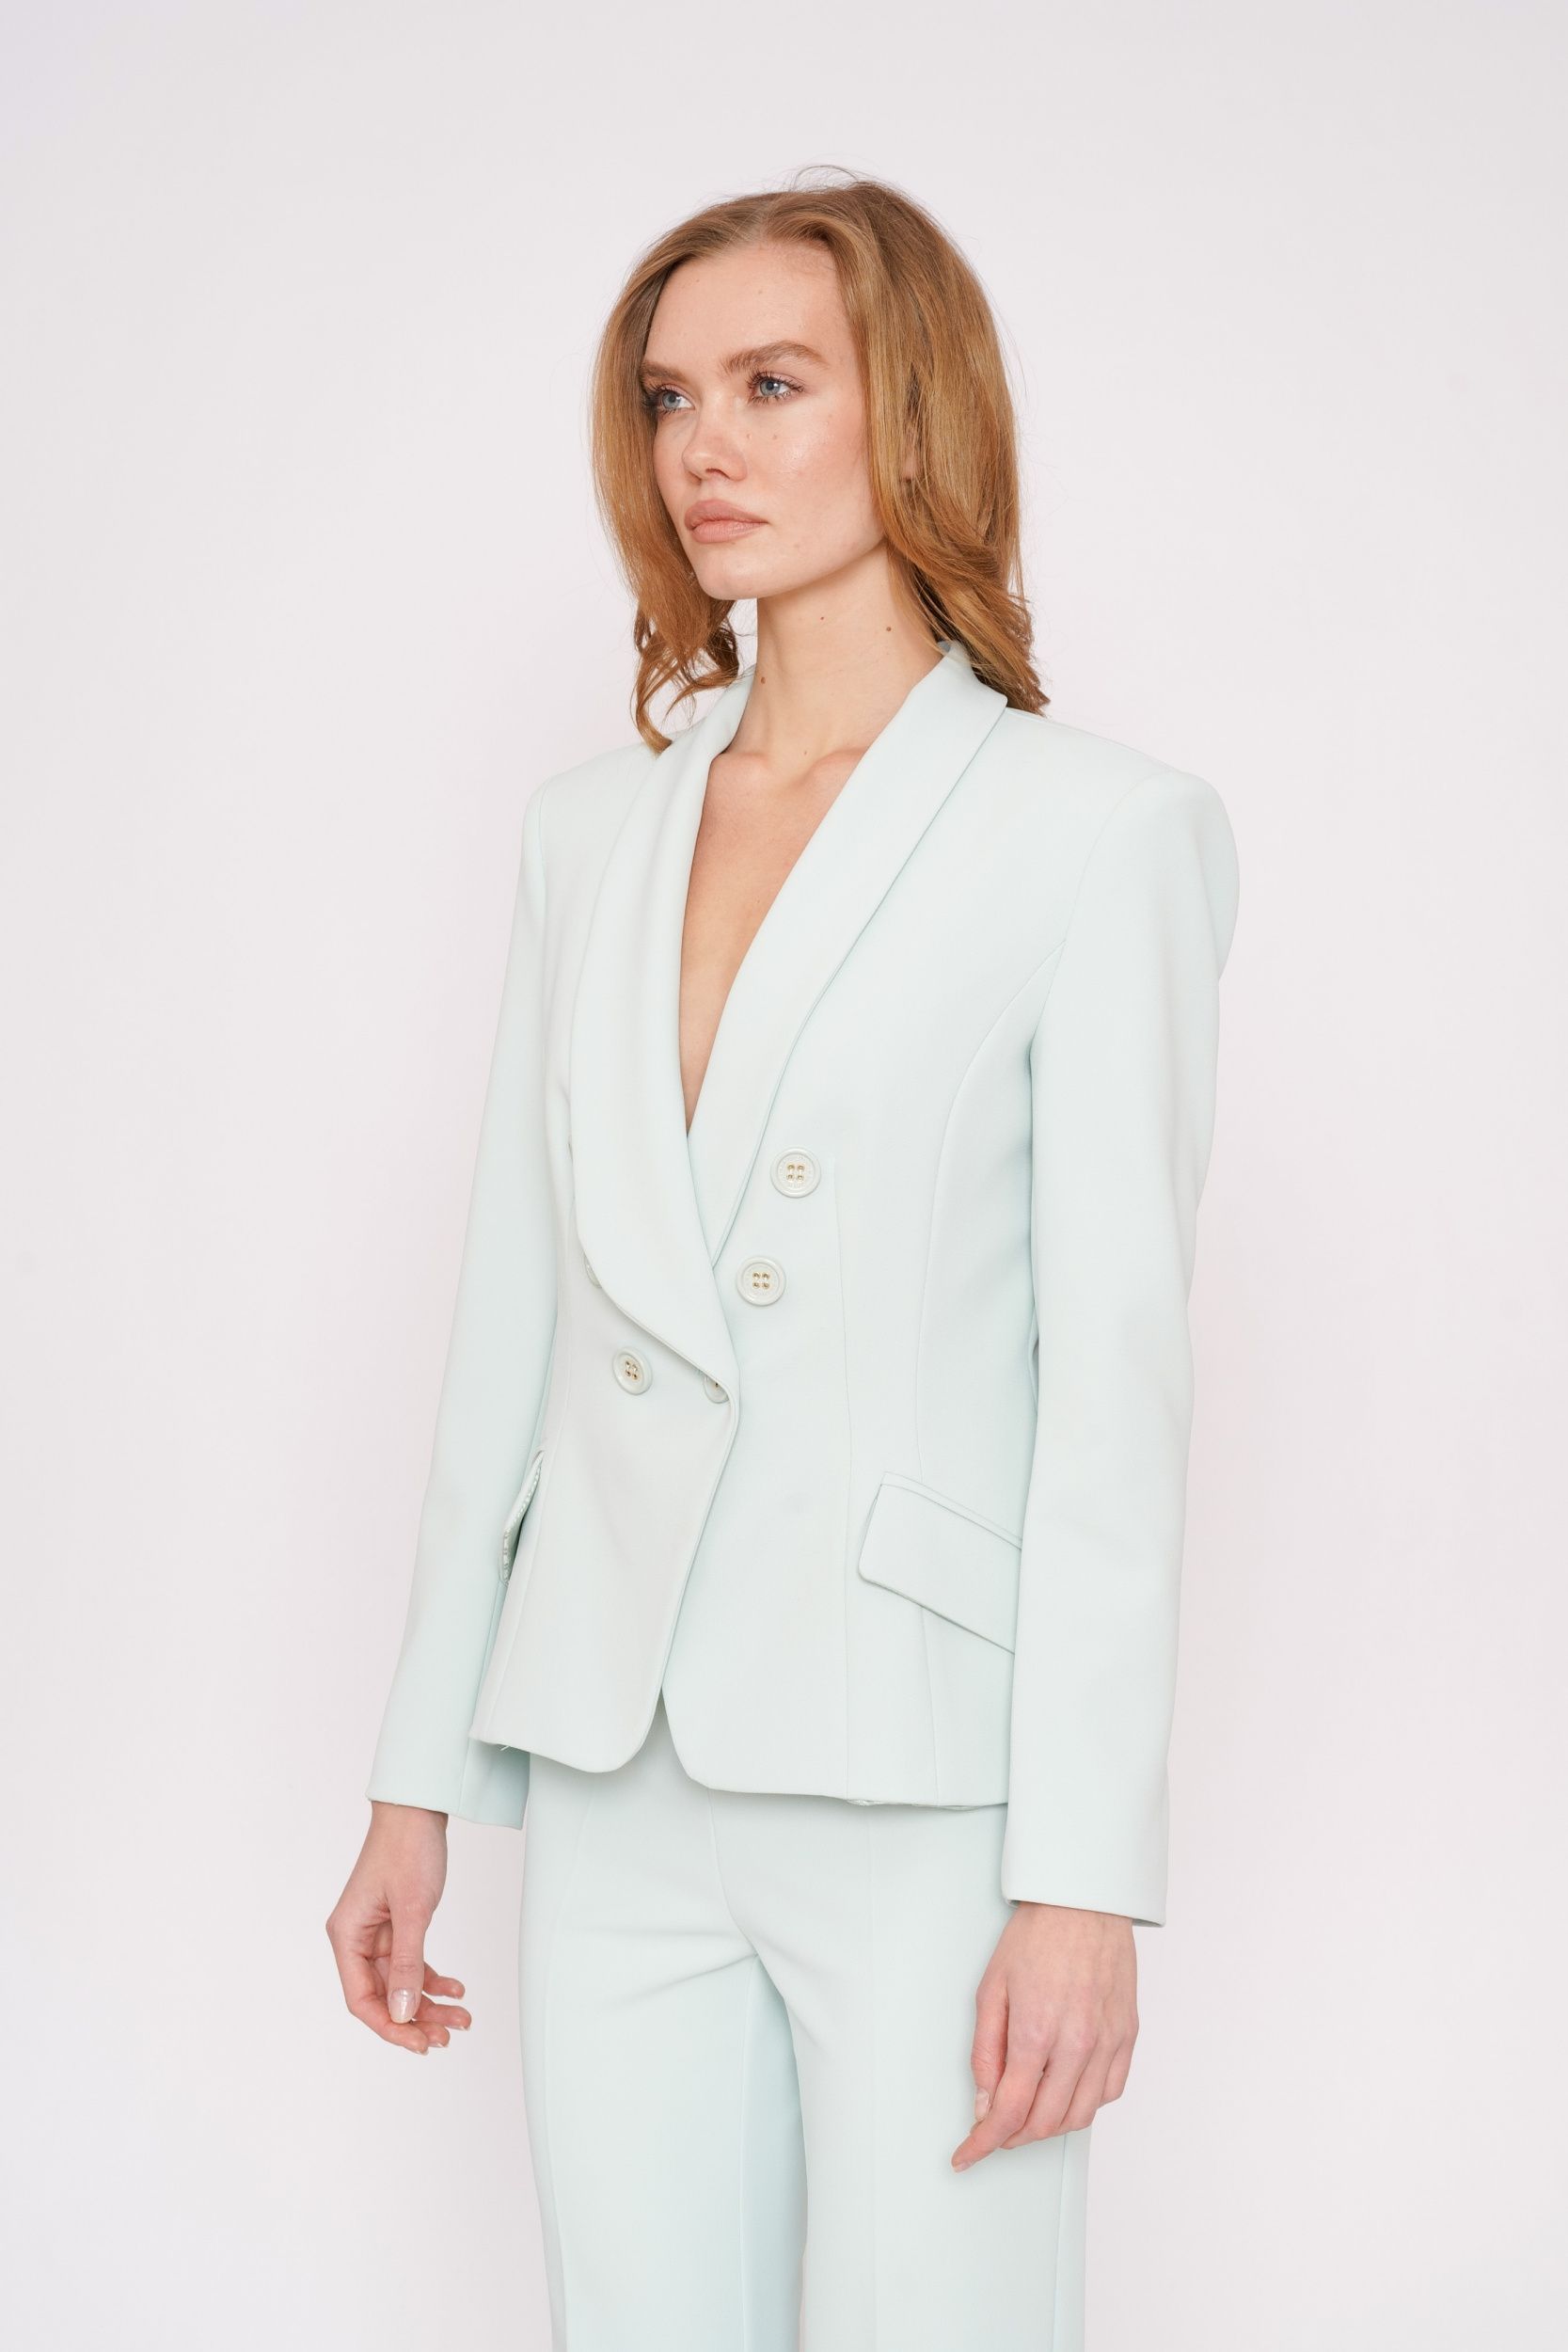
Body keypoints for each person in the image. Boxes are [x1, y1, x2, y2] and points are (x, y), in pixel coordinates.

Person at [326, 170, 1241, 2350]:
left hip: (923, 1775)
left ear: (910, 410)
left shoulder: (1097, 833)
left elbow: (1116, 1394)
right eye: (668, 397)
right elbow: (515, 1327)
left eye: (769, 384)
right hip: (615, 1757)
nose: (702, 448)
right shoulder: (590, 831)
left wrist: (1083, 1876)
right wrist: (414, 1772)